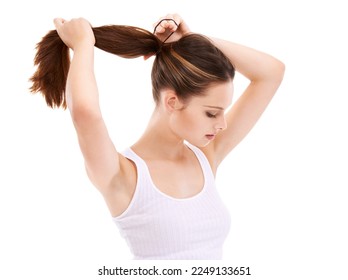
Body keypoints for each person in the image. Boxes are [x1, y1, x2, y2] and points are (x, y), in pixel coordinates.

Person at [30, 14, 285, 260]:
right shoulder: (122, 174)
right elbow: (86, 114)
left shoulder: (206, 158)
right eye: (211, 113)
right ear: (172, 102)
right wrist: (83, 45)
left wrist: (193, 40)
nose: (223, 124)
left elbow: (271, 73)